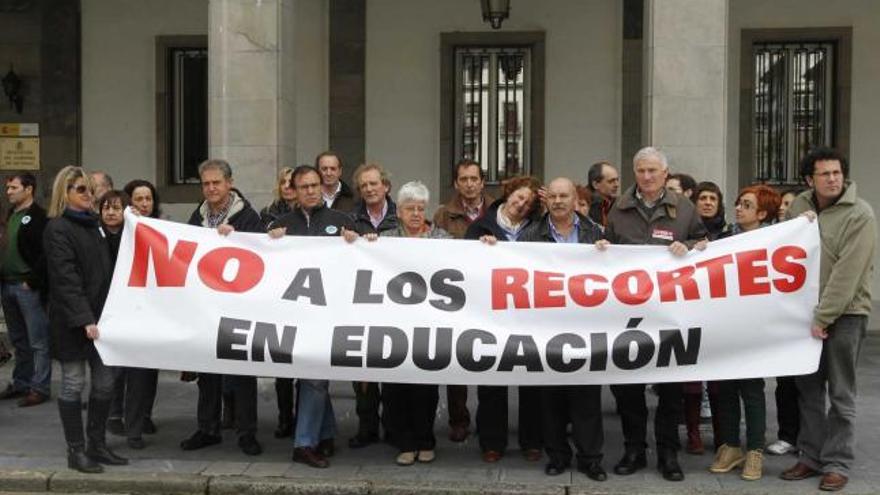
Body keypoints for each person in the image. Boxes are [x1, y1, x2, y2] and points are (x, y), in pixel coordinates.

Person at [601, 147, 708, 482]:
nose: (646, 177)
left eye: (652, 171)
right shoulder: (618, 209)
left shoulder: (685, 209)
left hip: (669, 315)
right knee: (628, 388)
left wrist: (689, 246)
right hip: (628, 315)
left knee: (671, 390)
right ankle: (634, 449)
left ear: (665, 173)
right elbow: (605, 249)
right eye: (641, 171)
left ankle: (667, 452)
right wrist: (602, 250)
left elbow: (707, 246)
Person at [780, 147, 876, 492]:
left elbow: (848, 275)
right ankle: (809, 456)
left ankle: (837, 462)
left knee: (841, 391)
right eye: (825, 174)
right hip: (803, 312)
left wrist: (824, 316)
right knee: (807, 390)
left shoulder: (860, 214)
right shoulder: (799, 207)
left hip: (846, 314)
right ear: (810, 179)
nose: (833, 179)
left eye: (837, 173)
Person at [268, 165, 357, 468]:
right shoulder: (281, 225)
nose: (310, 190)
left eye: (314, 185)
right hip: (293, 315)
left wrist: (357, 241)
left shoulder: (342, 221)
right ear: (293, 190)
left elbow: (367, 253)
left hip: (329, 313)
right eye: (303, 186)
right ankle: (313, 438)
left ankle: (313, 438)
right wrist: (269, 241)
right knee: (314, 377)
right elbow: (254, 255)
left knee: (316, 377)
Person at [519, 177, 606, 480]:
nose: (557, 201)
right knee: (550, 398)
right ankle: (557, 456)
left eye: (563, 196)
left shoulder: (596, 233)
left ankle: (590, 458)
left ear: (574, 199)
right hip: (547, 328)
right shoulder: (531, 234)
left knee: (587, 398)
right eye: (552, 196)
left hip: (585, 327)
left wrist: (608, 255)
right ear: (546, 200)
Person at [44, 166, 127, 473]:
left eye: (90, 189)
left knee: (105, 384)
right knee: (73, 383)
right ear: (64, 193)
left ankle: (97, 444)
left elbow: (115, 260)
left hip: (103, 321)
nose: (88, 194)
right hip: (74, 323)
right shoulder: (57, 229)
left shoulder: (95, 225)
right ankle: (76, 451)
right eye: (81, 189)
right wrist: (84, 319)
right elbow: (66, 280)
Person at [180, 159, 263, 456]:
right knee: (207, 373)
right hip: (206, 308)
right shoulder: (197, 217)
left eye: (216, 182)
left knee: (242, 373)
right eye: (206, 184)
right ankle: (207, 428)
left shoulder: (248, 217)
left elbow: (261, 254)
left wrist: (237, 239)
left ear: (229, 183)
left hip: (239, 308)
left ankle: (247, 432)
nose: (211, 188)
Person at [367, 180, 448, 465]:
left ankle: (426, 440)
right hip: (394, 325)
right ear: (398, 211)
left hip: (429, 325)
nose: (415, 213)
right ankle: (405, 441)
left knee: (425, 388)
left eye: (420, 208)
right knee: (395, 388)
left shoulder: (443, 239)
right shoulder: (383, 239)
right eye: (409, 208)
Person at [465, 175, 543, 463]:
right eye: (519, 197)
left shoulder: (538, 228)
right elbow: (465, 265)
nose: (521, 204)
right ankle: (492, 442)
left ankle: (532, 441)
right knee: (491, 382)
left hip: (529, 315)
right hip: (491, 315)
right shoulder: (481, 226)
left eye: (528, 203)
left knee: (532, 382)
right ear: (508, 194)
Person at [709, 184, 781, 481]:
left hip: (755, 326)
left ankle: (754, 450)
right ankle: (730, 446)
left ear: (762, 213)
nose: (738, 208)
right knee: (724, 388)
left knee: (751, 389)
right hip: (725, 324)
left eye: (747, 205)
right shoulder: (724, 239)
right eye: (739, 203)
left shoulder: (774, 243)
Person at [432, 159, 494, 442]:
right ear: (456, 183)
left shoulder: (498, 211)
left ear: (482, 182)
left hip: (490, 297)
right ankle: (459, 419)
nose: (469, 184)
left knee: (490, 359)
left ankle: (489, 419)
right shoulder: (443, 215)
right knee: (456, 361)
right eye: (463, 179)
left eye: (474, 178)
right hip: (456, 298)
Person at [348, 162, 398, 449]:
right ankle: (366, 427)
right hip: (362, 304)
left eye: (374, 183)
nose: (369, 189)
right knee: (362, 372)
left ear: (386, 186)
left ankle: (392, 427)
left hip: (393, 305)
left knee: (390, 368)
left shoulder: (399, 215)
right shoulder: (350, 218)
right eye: (364, 185)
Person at [682, 181, 729, 455]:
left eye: (713, 198)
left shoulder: (730, 234)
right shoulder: (687, 232)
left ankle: (723, 435)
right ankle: (693, 433)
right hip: (690, 311)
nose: (708, 202)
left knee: (718, 379)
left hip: (719, 313)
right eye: (703, 198)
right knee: (691, 380)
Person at [0, 172, 51, 407]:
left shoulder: (40, 217)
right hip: (7, 284)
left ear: (28, 189)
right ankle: (21, 382)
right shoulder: (11, 214)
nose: (8, 191)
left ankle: (40, 387)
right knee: (19, 339)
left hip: (26, 286)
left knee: (38, 340)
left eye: (13, 187)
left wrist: (32, 280)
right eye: (8, 188)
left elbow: (45, 253)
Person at [257, 166, 298, 439]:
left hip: (306, 293)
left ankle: (305, 419)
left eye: (291, 182)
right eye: (282, 181)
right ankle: (286, 417)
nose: (286, 186)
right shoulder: (267, 214)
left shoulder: (309, 216)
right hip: (280, 295)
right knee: (283, 366)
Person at [767, 186, 805, 456]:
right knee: (785, 383)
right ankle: (788, 434)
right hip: (780, 316)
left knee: (807, 384)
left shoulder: (808, 234)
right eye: (782, 203)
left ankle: (808, 438)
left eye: (789, 203)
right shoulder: (769, 235)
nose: (783, 207)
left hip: (802, 316)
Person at [586, 160, 620, 227]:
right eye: (611, 181)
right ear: (595, 184)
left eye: (617, 180)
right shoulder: (583, 205)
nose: (617, 185)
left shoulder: (617, 203)